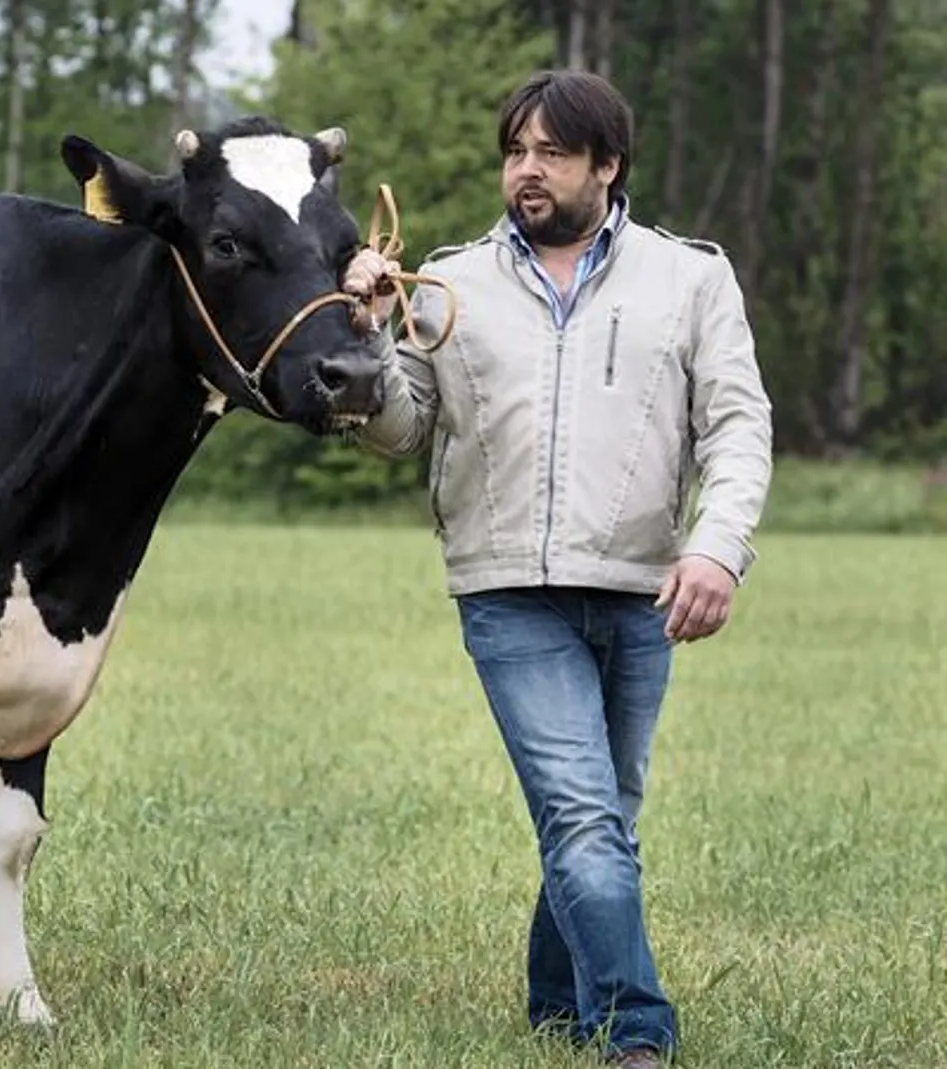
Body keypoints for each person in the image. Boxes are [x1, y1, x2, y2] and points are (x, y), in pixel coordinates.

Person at [344, 69, 774, 1067]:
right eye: (515, 151)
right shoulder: (452, 281)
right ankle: (635, 1029)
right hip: (504, 595)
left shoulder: (689, 278)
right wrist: (364, 330)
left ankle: (552, 1006)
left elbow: (739, 425)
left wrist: (716, 546)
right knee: (583, 811)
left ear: (606, 166)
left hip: (639, 592)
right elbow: (402, 428)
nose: (526, 171)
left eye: (551, 152)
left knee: (601, 814)